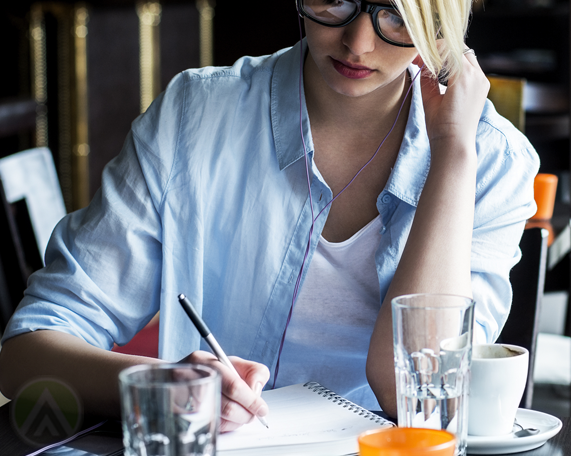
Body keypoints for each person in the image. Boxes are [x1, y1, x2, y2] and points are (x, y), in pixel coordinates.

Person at [0, 0, 538, 431]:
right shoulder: (196, 116)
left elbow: (412, 395)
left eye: (395, 12)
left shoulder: (491, 161)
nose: (357, 41)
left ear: (438, 19)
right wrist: (170, 387)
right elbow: (28, 350)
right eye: (334, 0)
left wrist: (452, 151)